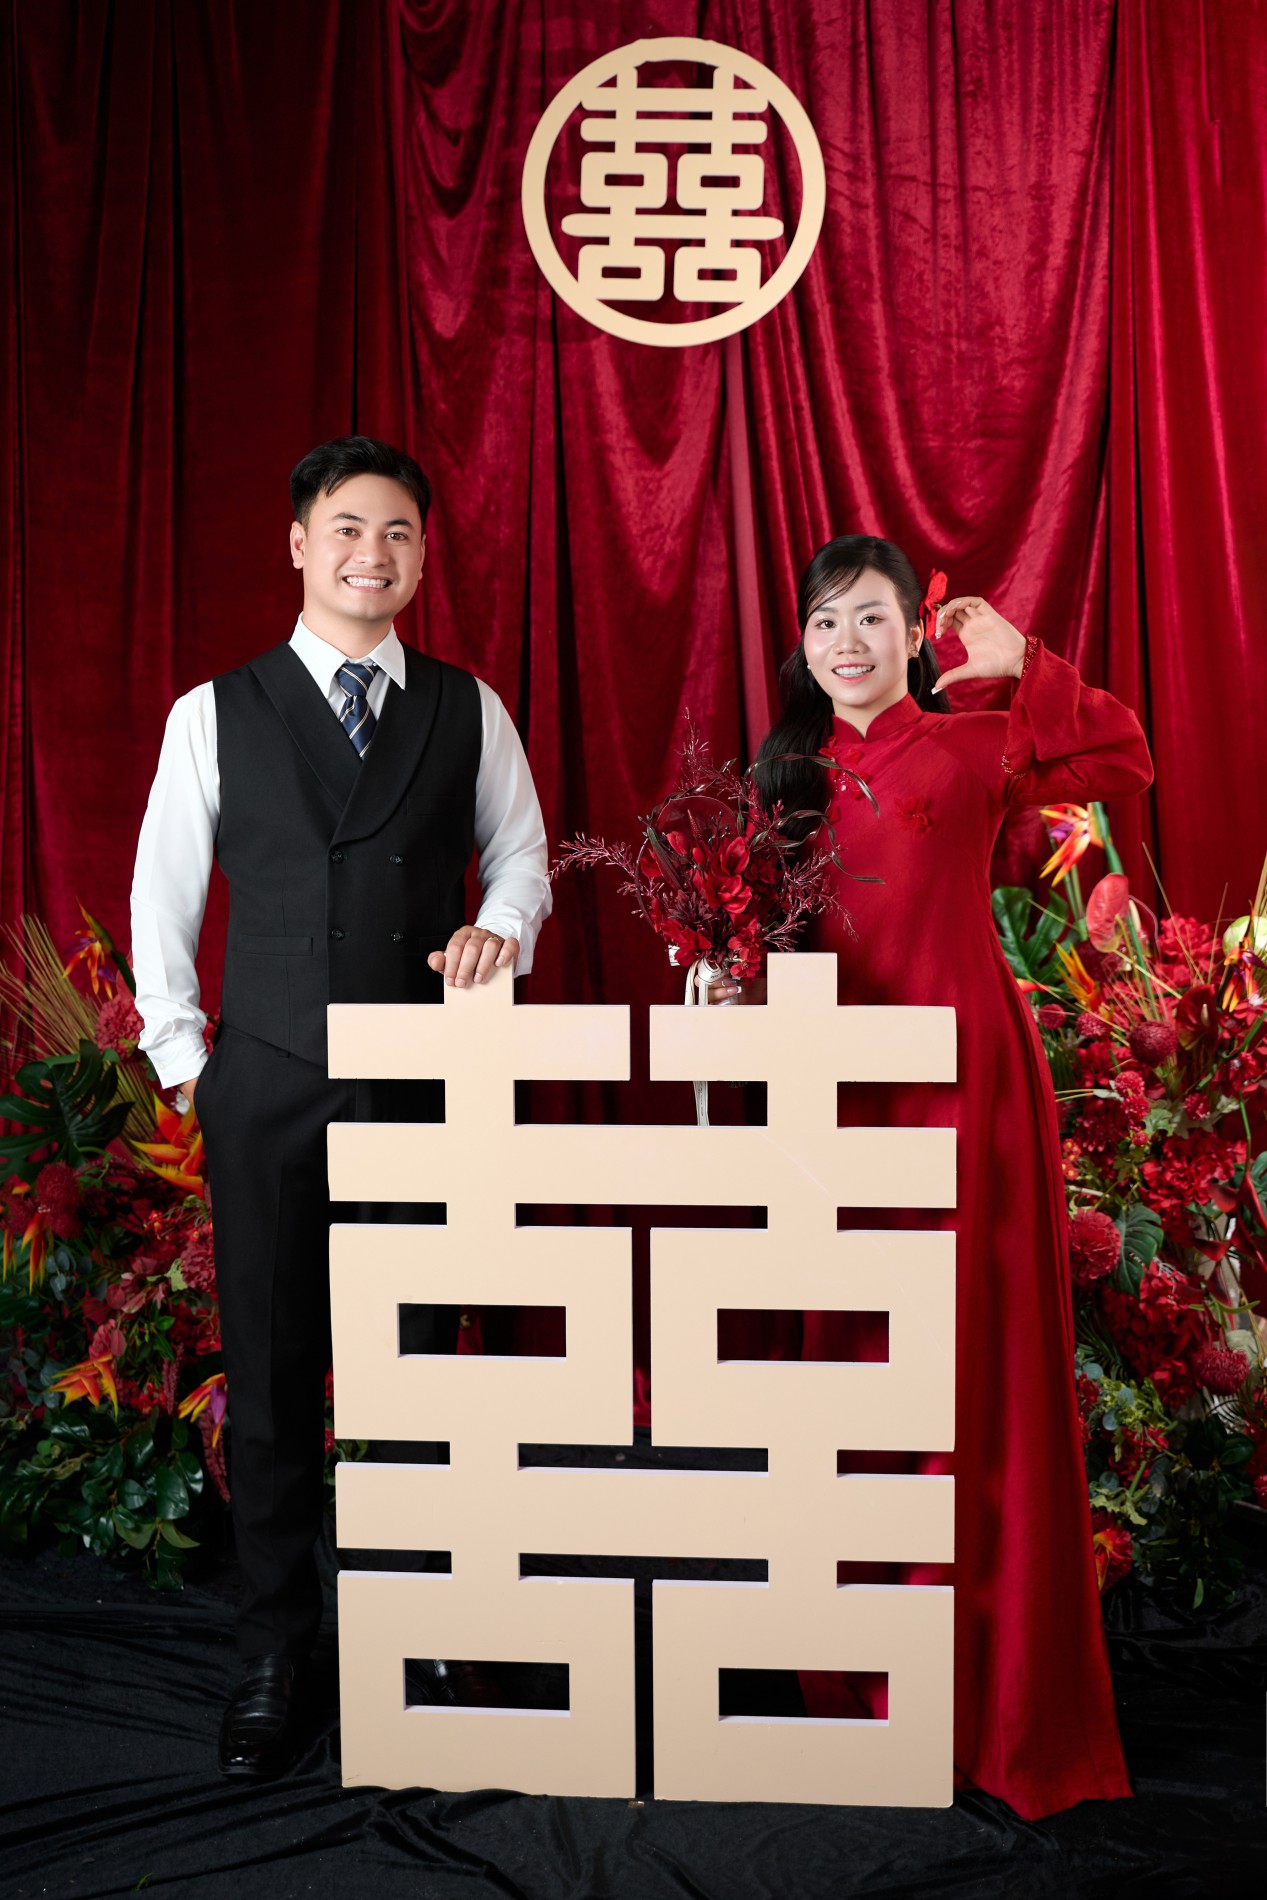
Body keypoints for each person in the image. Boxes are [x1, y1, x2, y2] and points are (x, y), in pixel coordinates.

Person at [129, 435, 552, 1778]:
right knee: (267, 1375)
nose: (375, 554)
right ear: (301, 544)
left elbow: (522, 856)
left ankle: (422, 1630)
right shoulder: (215, 711)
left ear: (422, 555)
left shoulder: (466, 708)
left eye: (400, 534)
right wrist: (191, 1067)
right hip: (262, 1081)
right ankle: (276, 1653)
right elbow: (161, 897)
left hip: (420, 1077)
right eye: (350, 529)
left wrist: (498, 929)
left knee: (419, 1363)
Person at [713, 533, 1151, 1820]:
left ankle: (994, 1707)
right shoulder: (782, 777)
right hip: (836, 1098)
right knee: (859, 1372)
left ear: (916, 634)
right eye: (824, 622)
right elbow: (761, 937)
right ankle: (869, 1682)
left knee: (977, 1374)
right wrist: (727, 977)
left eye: (872, 619)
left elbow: (1122, 757)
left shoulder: (972, 744)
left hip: (966, 1091)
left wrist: (1025, 664)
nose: (845, 642)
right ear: (802, 646)